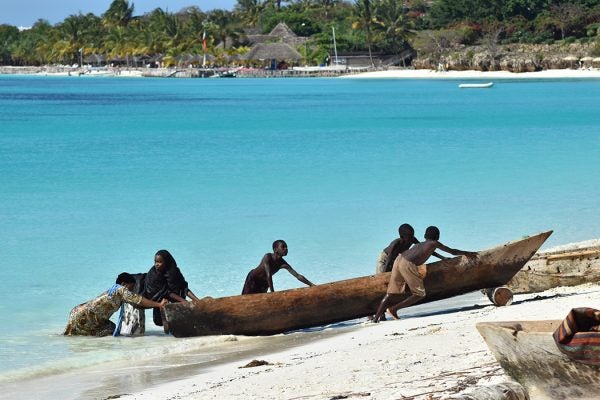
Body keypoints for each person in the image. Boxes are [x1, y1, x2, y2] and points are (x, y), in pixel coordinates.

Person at [371, 226, 476, 322]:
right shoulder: (434, 243)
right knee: (419, 294)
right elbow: (452, 251)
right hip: (407, 264)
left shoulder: (421, 244)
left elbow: (430, 251)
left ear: (425, 236)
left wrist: (442, 258)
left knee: (390, 293)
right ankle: (393, 309)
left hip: (399, 259)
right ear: (438, 237)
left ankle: (376, 319)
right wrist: (468, 253)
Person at [64, 272, 167, 337]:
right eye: (131, 287)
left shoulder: (114, 291)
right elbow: (139, 300)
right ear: (124, 284)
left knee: (110, 328)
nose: (131, 290)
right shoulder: (120, 290)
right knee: (105, 333)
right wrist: (159, 305)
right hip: (85, 316)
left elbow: (139, 303)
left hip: (78, 312)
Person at [142, 249, 202, 327]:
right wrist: (183, 301)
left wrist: (197, 300)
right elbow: (166, 293)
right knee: (169, 321)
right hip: (160, 302)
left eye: (159, 262)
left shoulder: (174, 271)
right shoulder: (154, 274)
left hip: (174, 300)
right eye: (155, 262)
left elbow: (184, 287)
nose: (156, 264)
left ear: (166, 262)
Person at [242, 240, 315, 294]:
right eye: (283, 247)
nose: (286, 249)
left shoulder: (283, 263)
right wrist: (273, 293)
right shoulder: (268, 257)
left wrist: (311, 285)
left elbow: (297, 275)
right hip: (253, 279)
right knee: (245, 299)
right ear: (275, 250)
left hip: (264, 283)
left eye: (286, 247)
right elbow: (268, 275)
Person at [376, 224, 446, 274]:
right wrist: (384, 274)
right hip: (384, 258)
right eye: (409, 236)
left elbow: (426, 248)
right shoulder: (396, 243)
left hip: (394, 259)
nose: (412, 238)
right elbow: (389, 259)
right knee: (381, 275)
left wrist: (442, 257)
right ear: (402, 236)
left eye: (413, 235)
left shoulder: (413, 239)